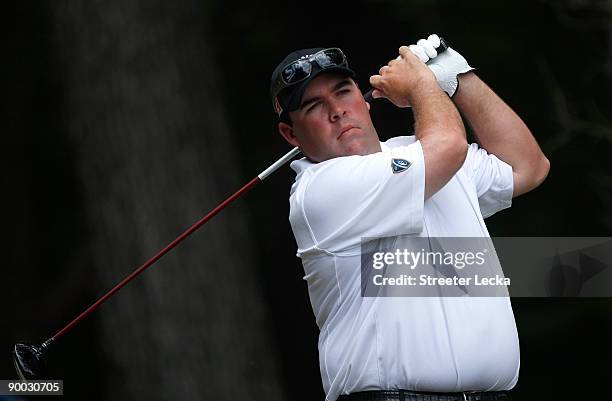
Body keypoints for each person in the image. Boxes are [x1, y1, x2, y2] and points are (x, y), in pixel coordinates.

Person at [270, 34, 549, 401]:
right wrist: (423, 86)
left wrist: (456, 76)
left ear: (365, 101)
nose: (336, 110)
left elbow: (528, 167)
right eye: (313, 106)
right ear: (291, 134)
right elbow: (448, 146)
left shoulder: (418, 151)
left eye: (343, 92)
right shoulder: (319, 190)